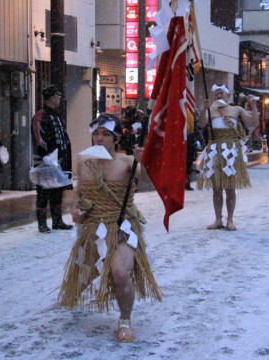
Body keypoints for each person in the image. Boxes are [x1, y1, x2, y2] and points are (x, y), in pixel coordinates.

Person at [57, 113, 162, 343]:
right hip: (93, 226)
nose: (100, 138)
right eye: (96, 133)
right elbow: (80, 194)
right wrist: (75, 210)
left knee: (120, 272)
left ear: (116, 138)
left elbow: (149, 182)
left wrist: (142, 160)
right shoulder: (84, 160)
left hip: (122, 225)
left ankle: (125, 320)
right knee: (83, 276)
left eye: (105, 134)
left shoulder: (126, 162)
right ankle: (72, 295)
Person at [197, 84, 259, 231]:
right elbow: (201, 124)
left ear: (228, 95)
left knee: (230, 188)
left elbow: (253, 123)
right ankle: (218, 219)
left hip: (231, 150)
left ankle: (230, 220)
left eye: (221, 93)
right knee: (216, 188)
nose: (219, 96)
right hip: (214, 148)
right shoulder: (211, 110)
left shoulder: (236, 109)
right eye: (216, 94)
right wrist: (204, 109)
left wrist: (253, 106)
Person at [31, 85, 73, 233]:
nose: (59, 99)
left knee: (57, 190)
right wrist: (44, 154)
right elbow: (39, 136)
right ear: (52, 97)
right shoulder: (41, 115)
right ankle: (42, 223)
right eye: (58, 96)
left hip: (58, 160)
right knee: (43, 191)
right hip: (46, 160)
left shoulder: (56, 115)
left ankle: (57, 220)